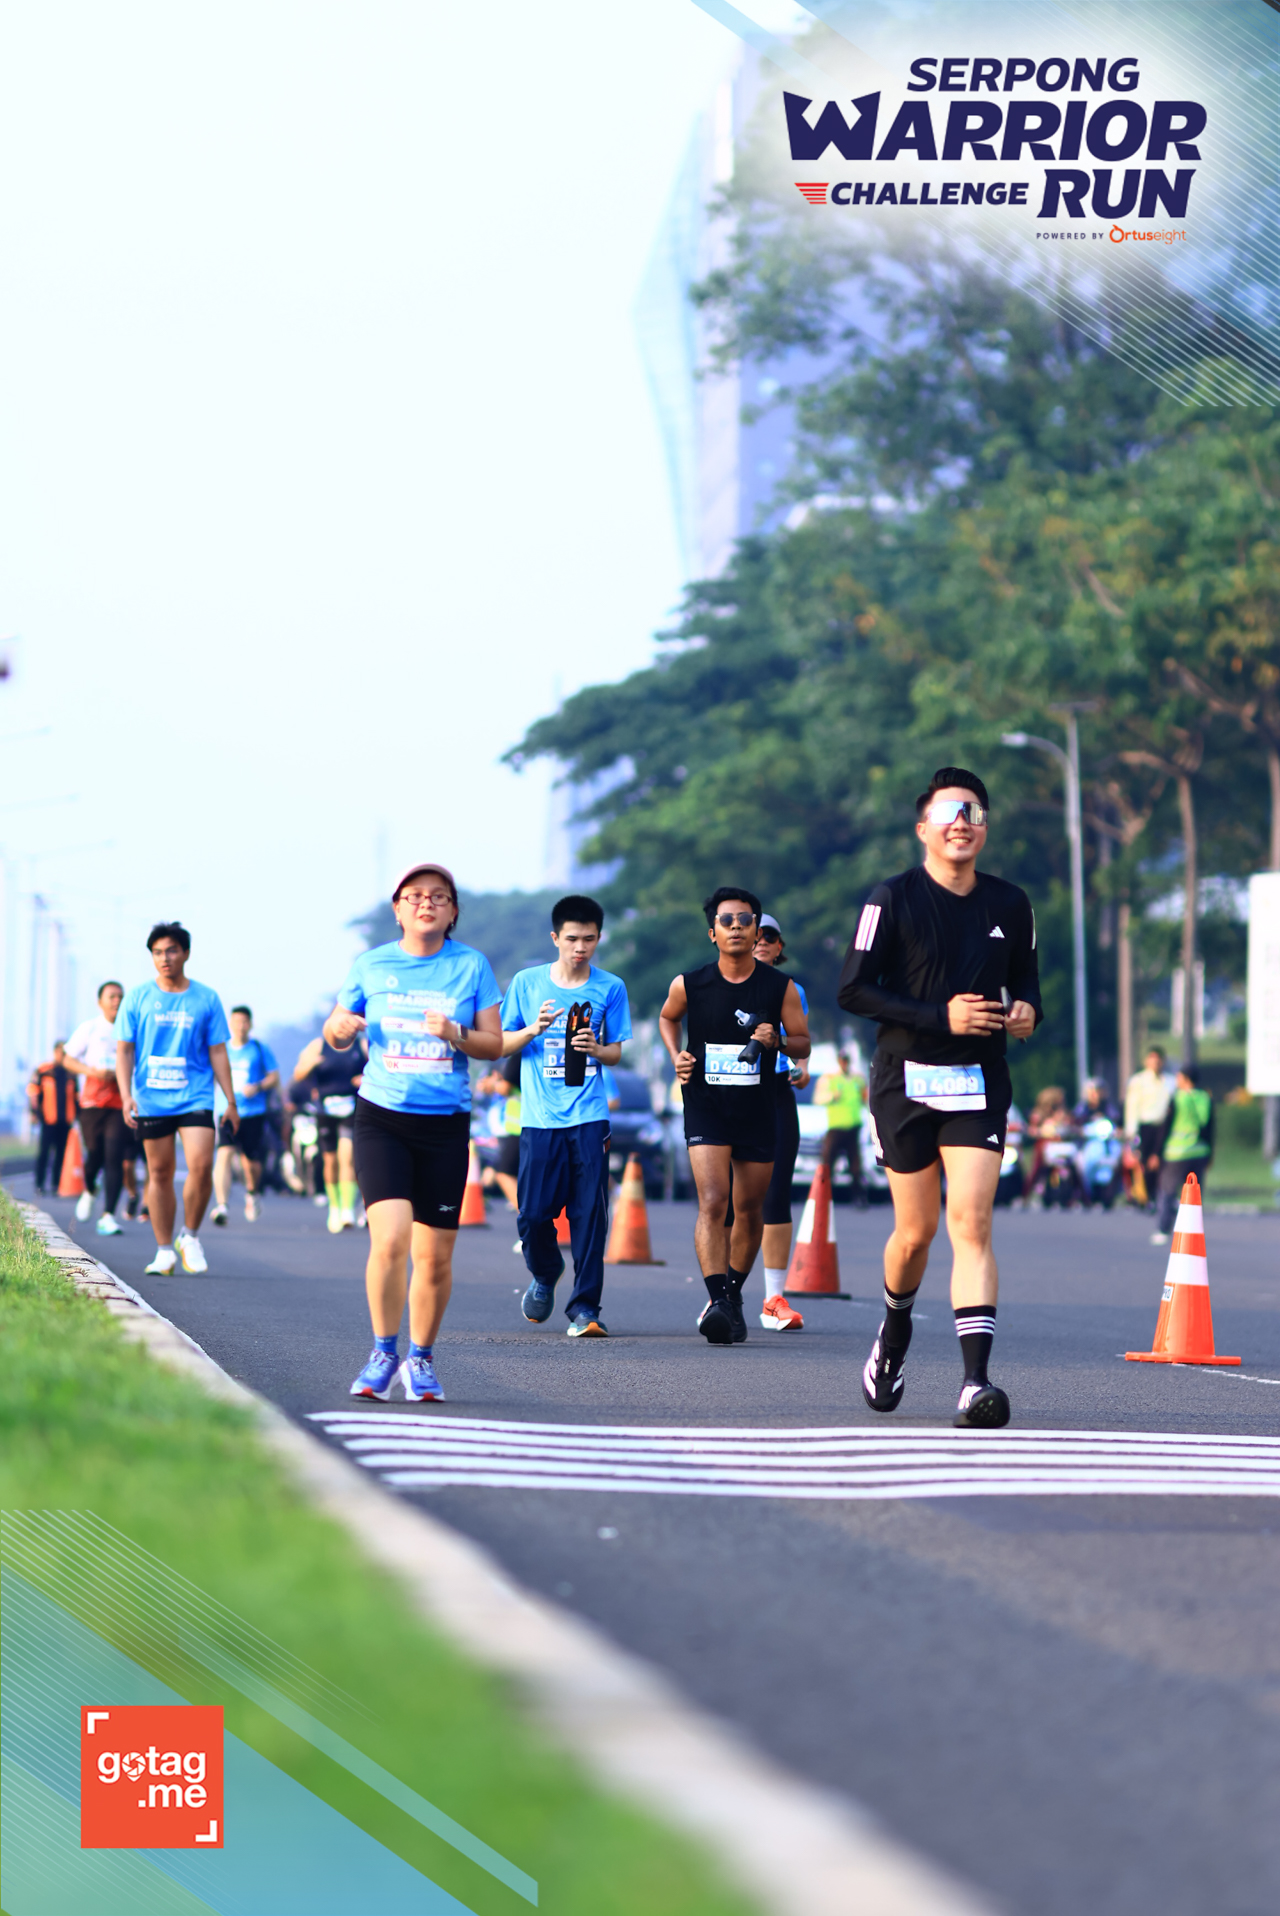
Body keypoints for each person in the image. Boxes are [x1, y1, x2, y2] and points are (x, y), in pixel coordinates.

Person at [837, 768, 1041, 1428]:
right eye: (950, 812)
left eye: (974, 812)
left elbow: (1028, 987)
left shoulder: (1011, 904)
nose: (962, 822)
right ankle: (894, 1331)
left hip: (978, 1081)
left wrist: (1026, 1014)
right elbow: (853, 990)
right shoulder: (890, 899)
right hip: (905, 1081)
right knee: (915, 1233)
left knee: (972, 1224)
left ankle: (975, 1383)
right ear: (923, 827)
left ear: (985, 828)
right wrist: (938, 1016)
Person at [325, 863, 503, 1403]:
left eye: (439, 897)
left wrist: (456, 1032)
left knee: (434, 1257)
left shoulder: (471, 966)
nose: (427, 903)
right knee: (391, 1238)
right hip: (383, 1118)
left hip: (445, 1126)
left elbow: (493, 1045)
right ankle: (383, 1353)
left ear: (452, 912)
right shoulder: (372, 965)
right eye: (416, 896)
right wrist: (341, 1028)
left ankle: (419, 1359)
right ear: (398, 908)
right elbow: (334, 1031)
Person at [659, 887, 810, 1345]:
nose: (737, 927)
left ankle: (733, 1294)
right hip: (706, 1104)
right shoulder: (690, 984)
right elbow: (668, 1018)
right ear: (713, 933)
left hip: (758, 1108)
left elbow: (803, 1041)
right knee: (713, 1201)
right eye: (727, 921)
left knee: (748, 1208)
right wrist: (676, 1055)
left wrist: (778, 1040)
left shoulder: (780, 987)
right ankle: (718, 1302)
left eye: (745, 920)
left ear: (757, 928)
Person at [500, 894, 632, 1337]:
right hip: (539, 1120)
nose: (580, 948)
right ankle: (545, 1270)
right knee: (534, 1215)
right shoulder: (527, 983)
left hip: (589, 1116)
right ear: (555, 938)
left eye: (589, 939)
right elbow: (501, 1043)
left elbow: (615, 1052)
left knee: (590, 1215)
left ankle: (585, 1308)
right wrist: (532, 1029)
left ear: (598, 939)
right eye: (572, 939)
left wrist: (598, 1049)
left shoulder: (610, 988)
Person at [116, 922, 237, 1276]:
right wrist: (126, 1096)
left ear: (186, 953)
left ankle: (191, 1236)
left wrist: (230, 1101)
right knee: (159, 1172)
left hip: (195, 1095)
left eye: (171, 950)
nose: (164, 958)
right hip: (152, 1097)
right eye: (157, 952)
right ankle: (164, 1250)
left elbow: (218, 1051)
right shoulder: (138, 997)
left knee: (201, 1165)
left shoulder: (206, 998)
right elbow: (124, 1050)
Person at [752, 913, 808, 1331]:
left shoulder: (791, 989)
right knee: (727, 1200)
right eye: (755, 934)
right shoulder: (712, 983)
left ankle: (773, 1299)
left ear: (779, 947)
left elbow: (800, 1041)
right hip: (729, 1093)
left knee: (776, 1194)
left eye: (769, 937)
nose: (760, 942)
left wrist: (801, 1066)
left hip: (774, 1092)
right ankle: (721, 1295)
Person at [65, 981, 129, 1236]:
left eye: (120, 996)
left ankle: (108, 1216)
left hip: (120, 1102)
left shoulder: (130, 1029)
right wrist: (93, 1072)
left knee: (114, 1155)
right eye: (111, 996)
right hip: (92, 1102)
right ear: (99, 1001)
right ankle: (90, 1190)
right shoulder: (90, 1028)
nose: (117, 1001)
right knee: (95, 1154)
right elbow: (68, 1059)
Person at [291, 1029, 366, 1231]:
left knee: (347, 1157)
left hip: (352, 1106)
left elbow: (379, 1069)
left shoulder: (361, 1046)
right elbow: (298, 1074)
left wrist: (365, 1076)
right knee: (330, 1160)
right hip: (325, 1109)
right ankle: (335, 1206)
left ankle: (347, 1209)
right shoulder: (318, 1046)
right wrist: (311, 1064)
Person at [210, 1007, 279, 1226]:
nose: (240, 1026)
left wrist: (257, 1087)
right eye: (236, 1022)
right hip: (227, 1111)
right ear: (230, 1024)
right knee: (224, 1153)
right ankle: (222, 1205)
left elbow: (274, 1077)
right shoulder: (221, 1049)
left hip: (253, 1112)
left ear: (250, 1024)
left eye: (244, 1022)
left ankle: (253, 1193)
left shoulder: (259, 1049)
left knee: (250, 1161)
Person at [1151, 1063, 1215, 1244]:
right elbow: (1210, 1129)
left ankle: (1163, 1229)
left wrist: (1156, 1153)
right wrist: (1210, 1154)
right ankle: (1192, 1233)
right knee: (1194, 1196)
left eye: (1179, 1077)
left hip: (1177, 1153)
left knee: (1167, 1190)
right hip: (1199, 1152)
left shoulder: (1178, 1098)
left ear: (1186, 1079)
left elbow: (1165, 1128)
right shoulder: (1205, 1098)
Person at [814, 1047, 867, 1206]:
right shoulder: (830, 1078)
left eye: (846, 1060)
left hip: (853, 1127)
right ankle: (823, 1196)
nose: (844, 1063)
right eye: (842, 1060)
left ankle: (858, 1196)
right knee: (827, 1162)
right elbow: (818, 1099)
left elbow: (865, 1098)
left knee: (856, 1165)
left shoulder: (858, 1079)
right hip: (836, 1127)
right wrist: (832, 1096)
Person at [1124, 1045, 1173, 1210]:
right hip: (1145, 1127)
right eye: (1152, 1060)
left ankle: (1161, 1195)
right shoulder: (1138, 1081)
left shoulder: (1169, 1081)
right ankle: (1146, 1197)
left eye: (1159, 1060)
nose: (1156, 1064)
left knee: (1161, 1163)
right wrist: (1131, 1133)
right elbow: (1132, 1107)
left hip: (1163, 1127)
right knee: (1144, 1163)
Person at [28, 1041, 78, 1196]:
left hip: (65, 1121)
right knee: (44, 1152)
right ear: (55, 1052)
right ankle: (39, 1184)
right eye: (60, 1052)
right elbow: (33, 1092)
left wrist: (77, 1117)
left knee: (61, 1154)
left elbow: (77, 1097)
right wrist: (34, 1113)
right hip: (48, 1120)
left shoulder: (71, 1073)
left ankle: (57, 1184)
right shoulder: (44, 1070)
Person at [476, 1052, 521, 1211]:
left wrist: (493, 1084)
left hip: (521, 1127)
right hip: (523, 1127)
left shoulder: (519, 1054)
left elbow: (506, 1087)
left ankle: (530, 1220)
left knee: (504, 1173)